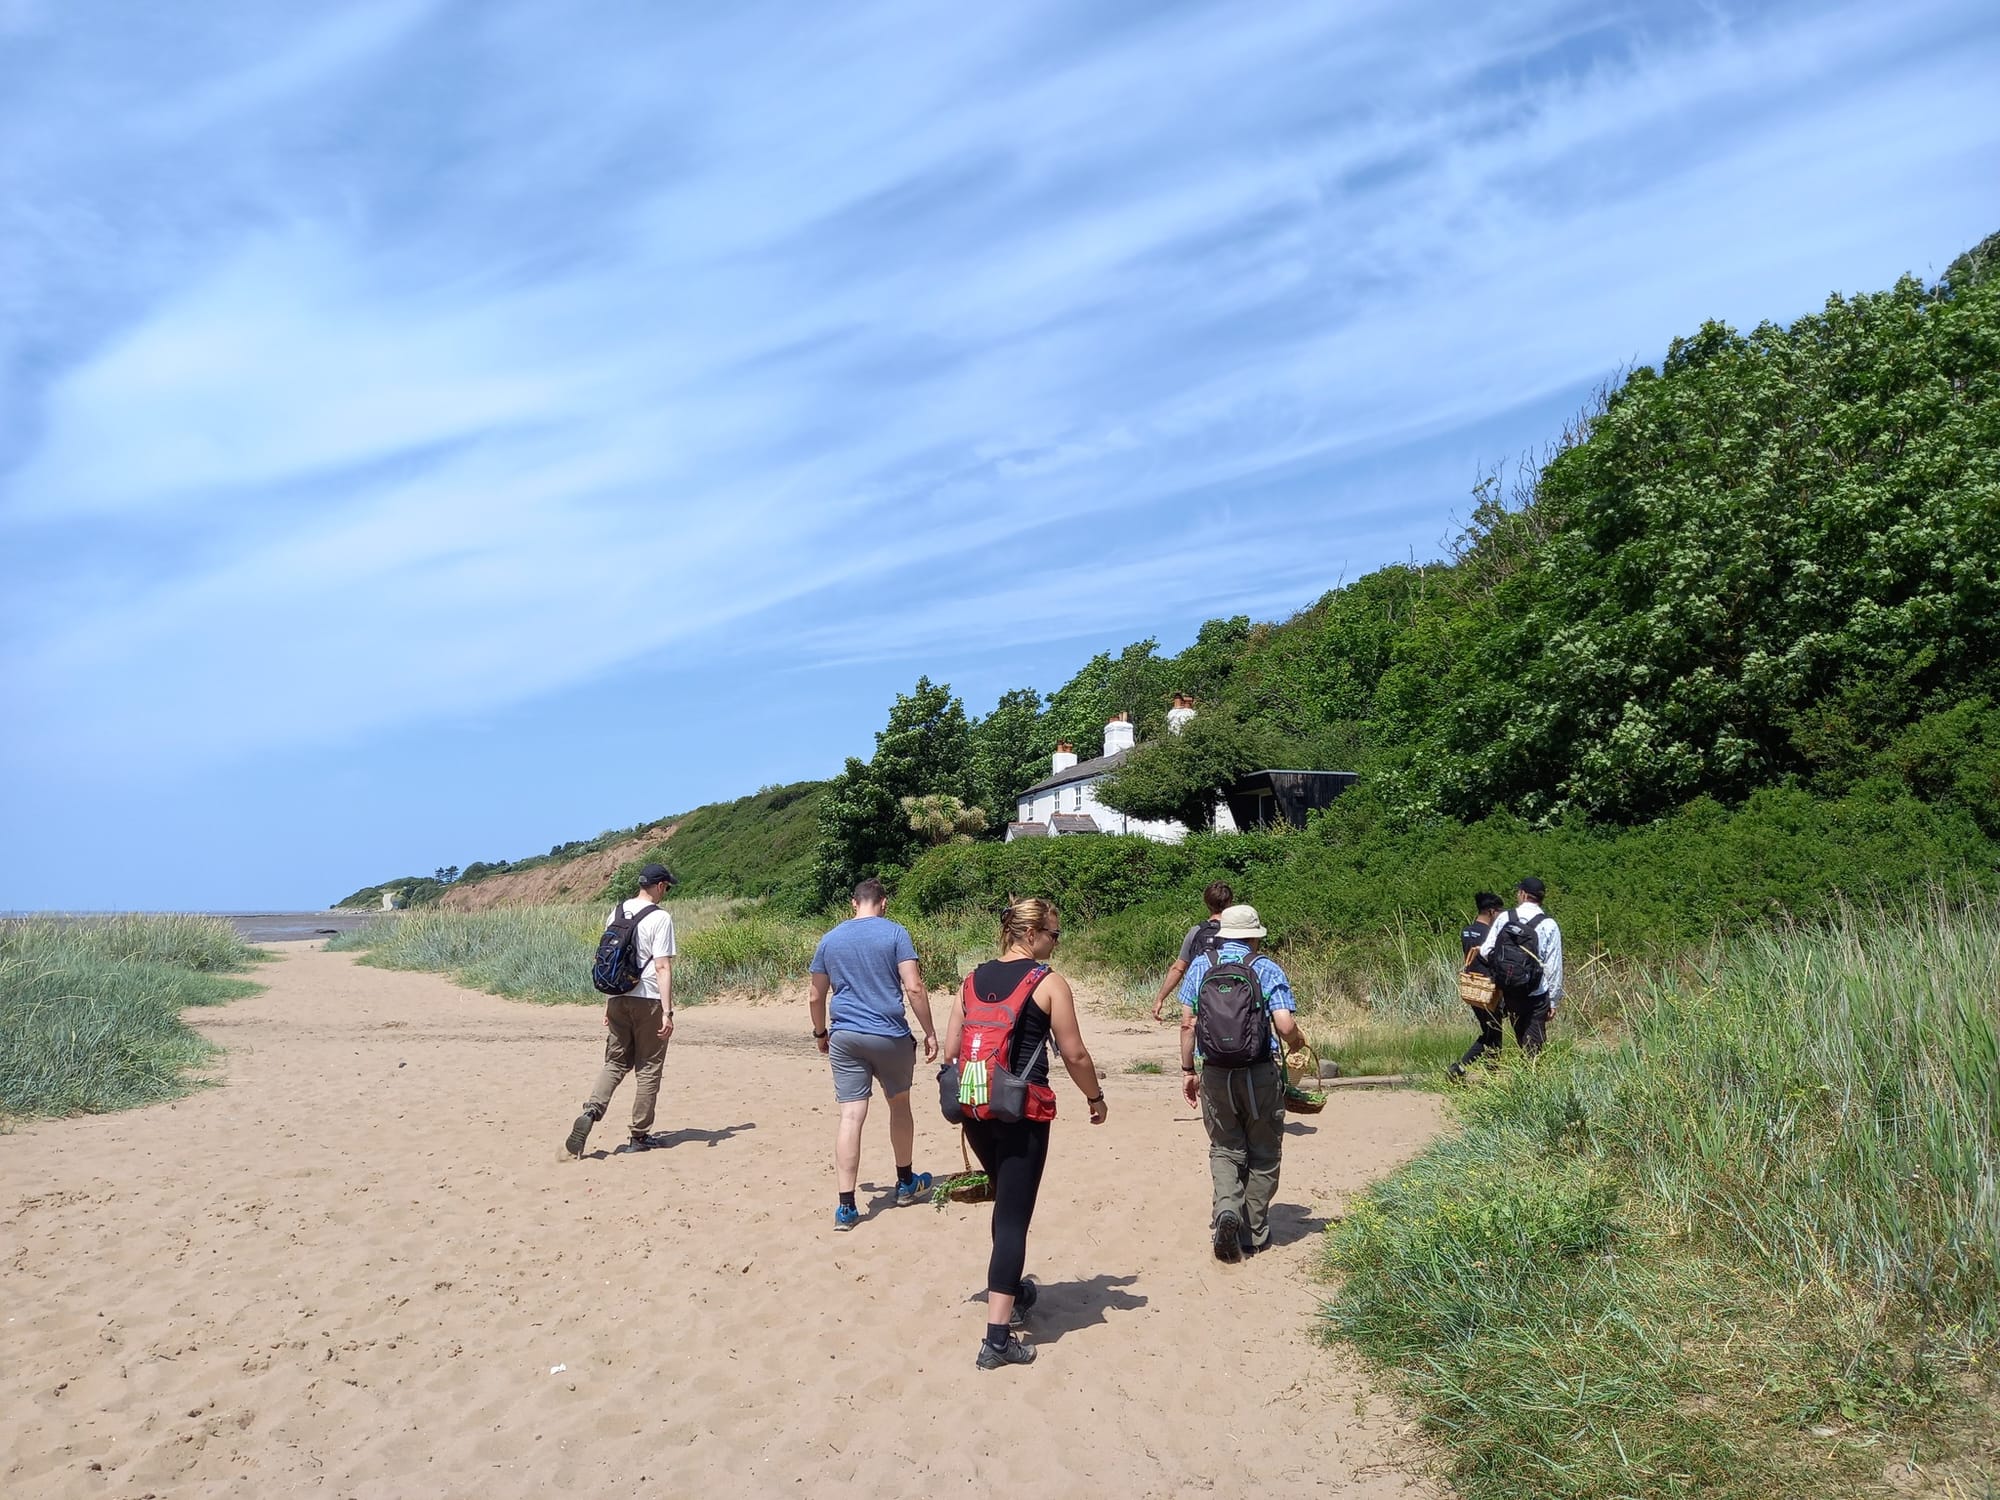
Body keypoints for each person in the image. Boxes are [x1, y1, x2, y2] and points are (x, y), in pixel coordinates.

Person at [944, 897, 1107, 1369]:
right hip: (1022, 1112)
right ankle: (998, 1339)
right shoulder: (1049, 983)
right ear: (1030, 935)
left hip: (975, 1109)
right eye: (1054, 935)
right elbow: (1075, 1054)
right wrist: (1095, 1099)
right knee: (1015, 1216)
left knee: (1005, 1204)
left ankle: (1012, 1291)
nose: (1056, 944)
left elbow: (953, 1049)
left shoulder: (970, 981)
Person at [1179, 904, 1310, 1262]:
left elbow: (1188, 1024)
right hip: (1258, 1072)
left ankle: (1226, 1211)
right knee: (1264, 1152)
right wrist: (1298, 1042)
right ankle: (1252, 1233)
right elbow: (1283, 1025)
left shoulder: (1201, 966)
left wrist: (1188, 1070)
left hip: (1216, 1072)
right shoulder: (1265, 968)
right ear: (1253, 936)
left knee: (1225, 1147)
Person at [808, 877, 941, 1229]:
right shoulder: (896, 933)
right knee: (899, 1105)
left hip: (845, 1036)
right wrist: (929, 1032)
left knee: (851, 1116)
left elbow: (815, 995)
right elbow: (913, 986)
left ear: (854, 903)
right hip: (888, 1034)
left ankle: (847, 1206)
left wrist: (821, 1032)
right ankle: (905, 1181)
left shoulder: (830, 939)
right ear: (883, 903)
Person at [563, 863, 678, 1158]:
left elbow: (607, 960)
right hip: (648, 998)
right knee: (649, 1067)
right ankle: (638, 1136)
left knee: (614, 1063)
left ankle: (590, 1112)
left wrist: (607, 1003)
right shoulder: (660, 918)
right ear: (660, 885)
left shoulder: (615, 912)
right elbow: (663, 966)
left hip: (617, 997)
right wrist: (668, 1011)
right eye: (667, 887)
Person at [1475, 876, 1565, 1057]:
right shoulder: (1549, 924)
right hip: (1536, 994)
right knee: (1534, 1046)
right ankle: (1531, 1079)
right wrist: (1553, 1000)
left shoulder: (1505, 918)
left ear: (1523, 894)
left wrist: (1502, 972)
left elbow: (1485, 951)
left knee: (1521, 1039)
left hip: (1511, 992)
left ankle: (1526, 1076)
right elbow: (1553, 966)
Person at [1150, 881, 1233, 1021]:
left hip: (1202, 998)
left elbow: (1178, 968)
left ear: (1206, 903)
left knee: (1191, 1028)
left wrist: (1160, 998)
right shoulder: (1238, 932)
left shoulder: (1196, 932)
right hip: (1232, 997)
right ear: (1230, 902)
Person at [1446, 892, 1507, 1083]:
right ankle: (1465, 1069)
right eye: (1498, 912)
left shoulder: (1466, 931)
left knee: (1490, 1033)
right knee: (1494, 1035)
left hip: (1472, 988)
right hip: (1488, 991)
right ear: (1491, 911)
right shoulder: (1491, 934)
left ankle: (1471, 1071)